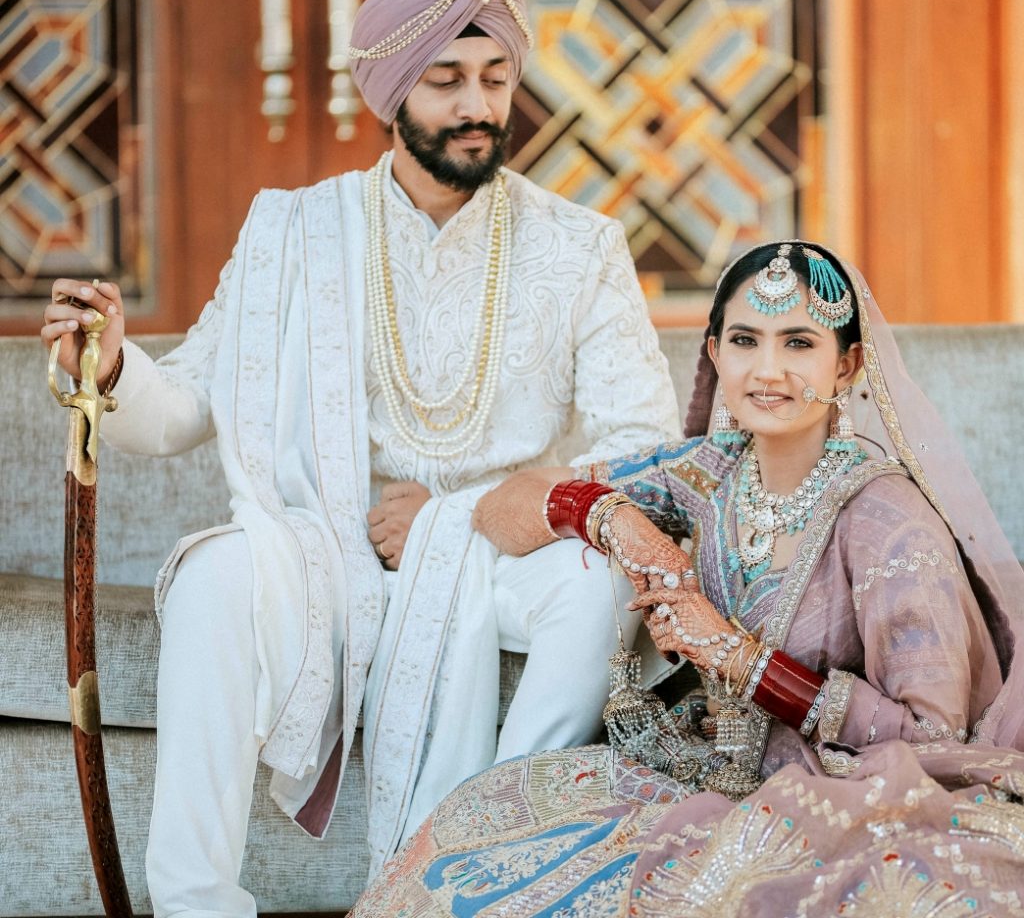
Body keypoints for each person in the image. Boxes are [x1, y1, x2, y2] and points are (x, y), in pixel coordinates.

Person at [37, 0, 680, 917]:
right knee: (212, 573)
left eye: (496, 78)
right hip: (327, 548)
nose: (478, 105)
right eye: (447, 80)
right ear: (390, 92)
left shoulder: (578, 246)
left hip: (498, 548)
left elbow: (643, 448)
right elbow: (182, 410)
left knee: (597, 584)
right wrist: (114, 366)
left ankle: (491, 862)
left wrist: (462, 514)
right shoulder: (293, 229)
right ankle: (196, 902)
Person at [349, 240, 1024, 917]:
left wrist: (733, 654)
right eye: (744, 340)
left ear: (845, 365)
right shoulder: (711, 471)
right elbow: (503, 507)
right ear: (713, 354)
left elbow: (936, 740)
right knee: (485, 826)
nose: (767, 370)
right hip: (707, 774)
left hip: (843, 793)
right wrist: (612, 517)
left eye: (798, 343)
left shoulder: (886, 519)